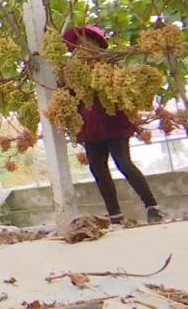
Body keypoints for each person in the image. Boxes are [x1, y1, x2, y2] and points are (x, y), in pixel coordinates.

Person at [63, 25, 166, 225]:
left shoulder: (111, 64)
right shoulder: (73, 70)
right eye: (77, 43)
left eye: (85, 41)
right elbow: (69, 95)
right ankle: (114, 215)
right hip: (89, 125)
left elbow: (121, 87)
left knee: (123, 163)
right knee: (97, 168)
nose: (80, 46)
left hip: (113, 121)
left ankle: (152, 207)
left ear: (96, 44)